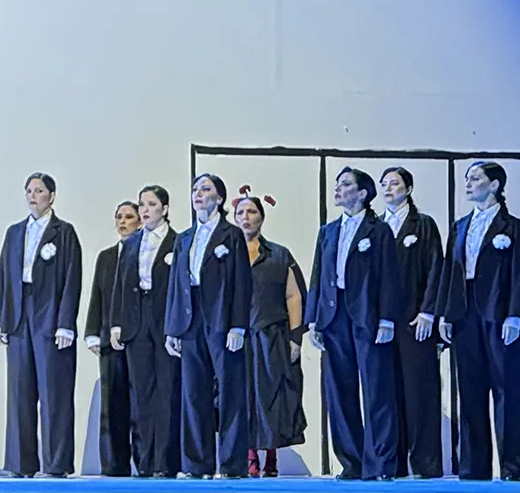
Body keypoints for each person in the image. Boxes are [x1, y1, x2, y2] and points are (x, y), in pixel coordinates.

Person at [425, 161, 520, 481]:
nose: (468, 184)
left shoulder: (511, 226)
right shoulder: (460, 226)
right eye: (467, 178)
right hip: (464, 315)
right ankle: (473, 466)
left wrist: (515, 315)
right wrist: (444, 312)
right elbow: (448, 271)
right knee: (469, 391)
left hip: (498, 315)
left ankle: (514, 466)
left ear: (495, 185)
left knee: (507, 389)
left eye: (476, 178)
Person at [306, 167, 400, 480]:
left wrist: (387, 318)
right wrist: (313, 321)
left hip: (368, 318)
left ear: (363, 193)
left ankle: (382, 463)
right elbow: (317, 277)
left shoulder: (379, 229)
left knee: (377, 390)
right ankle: (352, 461)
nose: (338, 189)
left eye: (345, 184)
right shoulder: (328, 231)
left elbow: (390, 276)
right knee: (339, 391)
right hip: (333, 318)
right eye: (337, 184)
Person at [0, 173, 84, 478]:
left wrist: (66, 323)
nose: (33, 196)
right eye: (29, 190)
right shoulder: (15, 232)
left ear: (52, 196)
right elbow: (5, 277)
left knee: (54, 392)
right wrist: (0, 320)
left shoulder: (64, 232)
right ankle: (19, 464)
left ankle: (55, 465)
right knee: (19, 391)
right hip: (19, 316)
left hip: (50, 316)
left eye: (39, 191)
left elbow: (72, 279)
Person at [164, 173, 252, 478]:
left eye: (205, 189)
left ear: (220, 198)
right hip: (190, 319)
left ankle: (232, 464)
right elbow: (175, 285)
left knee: (230, 392)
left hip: (222, 319)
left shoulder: (232, 234)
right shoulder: (184, 238)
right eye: (195, 190)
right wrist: (172, 328)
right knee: (193, 392)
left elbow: (242, 282)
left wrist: (238, 326)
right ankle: (196, 464)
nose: (198, 194)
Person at [234, 188, 307, 478]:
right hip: (236, 339)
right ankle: (249, 459)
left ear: (261, 218)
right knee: (242, 398)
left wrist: (295, 336)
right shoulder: (226, 253)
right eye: (240, 212)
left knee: (272, 397)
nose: (245, 217)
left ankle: (272, 458)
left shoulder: (278, 254)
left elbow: (294, 296)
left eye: (251, 212)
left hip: (271, 337)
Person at [110, 185, 181, 477]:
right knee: (142, 395)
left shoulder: (179, 241)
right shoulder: (130, 243)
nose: (145, 209)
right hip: (136, 324)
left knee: (167, 392)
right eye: (142, 204)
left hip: (164, 323)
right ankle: (146, 461)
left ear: (164, 208)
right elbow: (120, 286)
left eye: (151, 204)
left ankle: (167, 462)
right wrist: (117, 324)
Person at [379, 166, 445, 478]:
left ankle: (426, 464)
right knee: (388, 394)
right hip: (382, 324)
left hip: (415, 320)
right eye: (383, 184)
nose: (387, 188)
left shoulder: (424, 225)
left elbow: (436, 269)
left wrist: (429, 312)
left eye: (394, 183)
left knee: (420, 392)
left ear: (408, 188)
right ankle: (392, 463)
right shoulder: (375, 226)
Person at [84, 201, 140, 476]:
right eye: (119, 217)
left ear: (140, 221)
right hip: (109, 340)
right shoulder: (107, 257)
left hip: (138, 339)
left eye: (129, 217)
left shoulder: (145, 252)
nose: (123, 222)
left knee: (138, 405)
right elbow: (97, 295)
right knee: (112, 405)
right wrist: (92, 332)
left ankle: (145, 462)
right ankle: (113, 466)